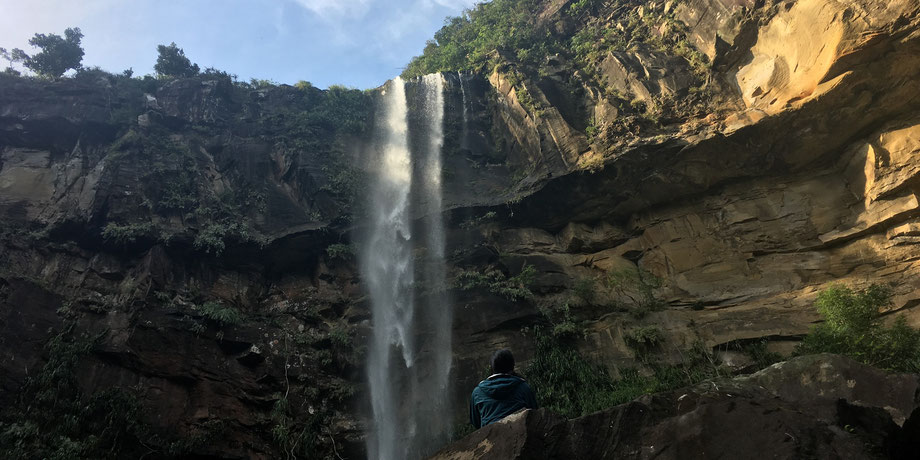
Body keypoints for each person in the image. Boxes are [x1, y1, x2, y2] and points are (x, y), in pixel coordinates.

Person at [469, 349, 538, 429]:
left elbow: (475, 422)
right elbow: (534, 412)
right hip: (520, 434)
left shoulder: (477, 392)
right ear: (512, 366)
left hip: (490, 438)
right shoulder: (523, 387)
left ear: (491, 368)